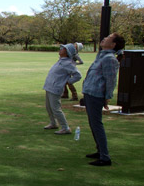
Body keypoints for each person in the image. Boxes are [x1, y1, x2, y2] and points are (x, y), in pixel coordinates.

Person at [82, 33, 125, 166]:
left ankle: (105, 157)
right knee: (93, 124)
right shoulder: (102, 56)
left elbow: (111, 80)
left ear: (113, 45)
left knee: (97, 125)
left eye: (108, 38)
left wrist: (107, 97)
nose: (104, 39)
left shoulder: (109, 59)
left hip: (96, 95)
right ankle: (100, 151)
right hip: (90, 93)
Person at [43, 44, 82, 134]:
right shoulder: (61, 61)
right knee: (49, 108)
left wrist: (68, 81)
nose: (61, 49)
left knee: (56, 109)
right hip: (49, 87)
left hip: (55, 88)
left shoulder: (67, 63)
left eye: (64, 48)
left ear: (68, 52)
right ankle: (53, 123)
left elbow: (78, 75)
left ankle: (65, 127)